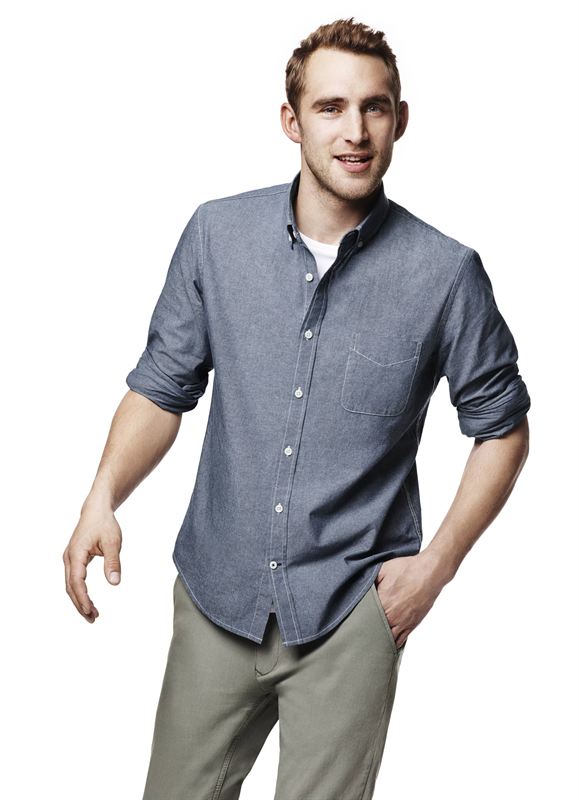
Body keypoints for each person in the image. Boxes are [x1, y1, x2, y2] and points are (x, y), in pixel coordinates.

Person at [62, 16, 531, 800]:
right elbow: (162, 386)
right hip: (218, 597)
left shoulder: (445, 274)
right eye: (330, 107)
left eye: (374, 107)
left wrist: (436, 568)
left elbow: (502, 429)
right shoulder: (217, 235)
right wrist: (102, 496)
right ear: (292, 121)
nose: (355, 131)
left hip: (352, 614)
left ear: (400, 120)